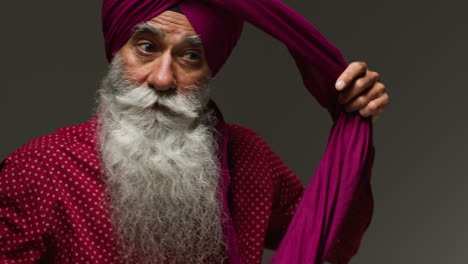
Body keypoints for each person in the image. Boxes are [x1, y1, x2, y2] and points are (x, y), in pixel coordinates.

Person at [0, 1, 389, 264]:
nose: (163, 79)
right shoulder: (38, 171)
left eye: (190, 56)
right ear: (118, 52)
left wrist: (350, 122)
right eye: (147, 47)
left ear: (210, 71)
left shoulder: (249, 157)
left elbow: (332, 242)